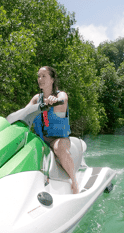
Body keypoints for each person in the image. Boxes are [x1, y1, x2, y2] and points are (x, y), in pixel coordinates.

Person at [26, 66, 79, 194]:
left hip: (59, 139)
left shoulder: (61, 95)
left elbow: (63, 102)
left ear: (52, 79)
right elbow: (25, 112)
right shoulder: (36, 98)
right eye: (39, 76)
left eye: (44, 76)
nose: (40, 79)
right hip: (40, 140)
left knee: (58, 148)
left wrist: (55, 101)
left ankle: (75, 182)